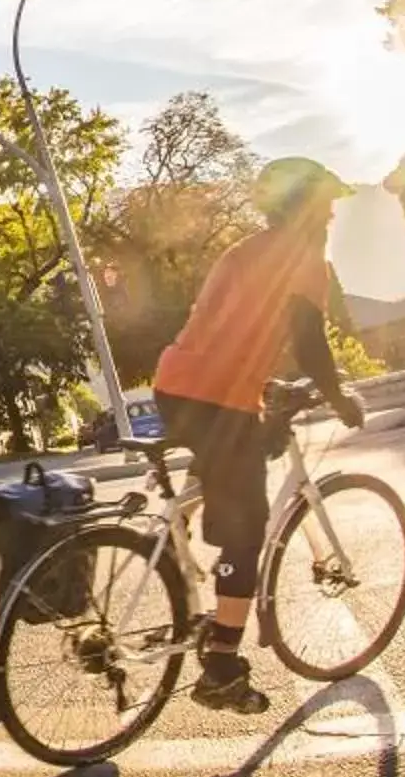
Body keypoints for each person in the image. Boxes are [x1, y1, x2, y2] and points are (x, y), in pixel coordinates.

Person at [148, 155, 366, 714]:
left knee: (231, 475)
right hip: (218, 400)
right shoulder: (304, 256)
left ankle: (190, 568)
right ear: (308, 206)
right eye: (328, 205)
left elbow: (223, 330)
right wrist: (340, 397)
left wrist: (264, 384)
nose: (332, 218)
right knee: (245, 534)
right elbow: (309, 337)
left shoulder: (243, 250)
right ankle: (221, 666)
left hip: (178, 384)